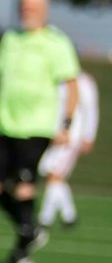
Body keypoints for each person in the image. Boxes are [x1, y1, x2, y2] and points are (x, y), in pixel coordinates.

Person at [0, 0, 81, 263]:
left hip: (38, 126)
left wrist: (66, 124)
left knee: (24, 185)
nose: (26, 8)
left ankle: (21, 250)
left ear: (44, 8)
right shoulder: (10, 39)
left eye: (32, 4)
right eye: (23, 4)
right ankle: (29, 229)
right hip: (8, 125)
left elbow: (72, 85)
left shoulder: (56, 43)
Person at [39, 70, 98, 230]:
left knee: (55, 176)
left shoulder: (84, 82)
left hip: (71, 137)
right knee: (48, 172)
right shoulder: (56, 78)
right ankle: (69, 215)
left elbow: (91, 110)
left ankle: (45, 218)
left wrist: (88, 136)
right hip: (55, 135)